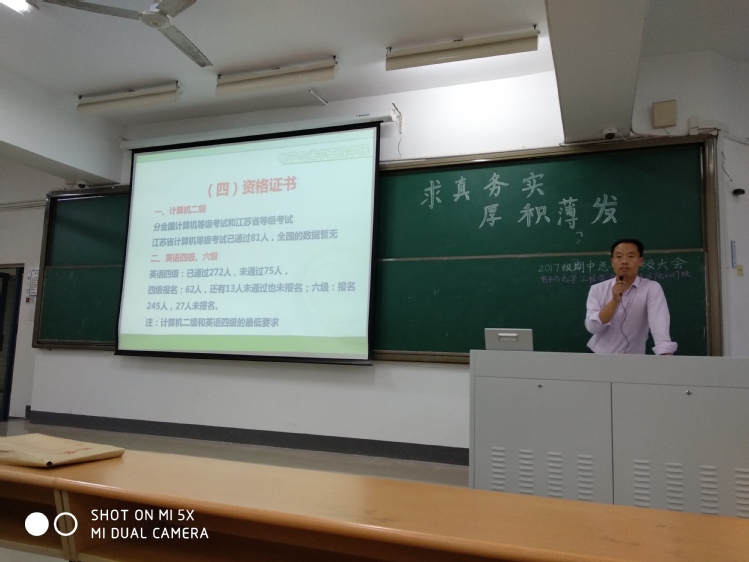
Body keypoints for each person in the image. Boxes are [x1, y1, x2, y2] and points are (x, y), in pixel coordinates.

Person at [585, 239, 676, 355]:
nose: (624, 261)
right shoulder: (597, 289)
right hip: (597, 355)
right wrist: (614, 301)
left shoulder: (651, 288)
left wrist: (665, 352)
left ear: (640, 261)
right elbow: (593, 328)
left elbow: (659, 323)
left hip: (632, 359)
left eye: (631, 256)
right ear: (612, 262)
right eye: (619, 256)